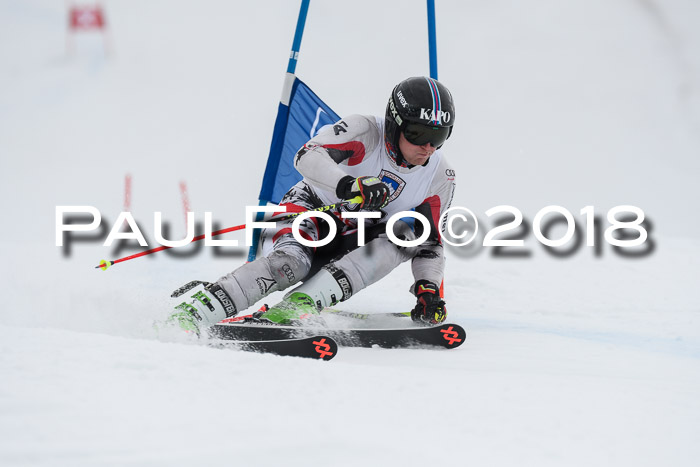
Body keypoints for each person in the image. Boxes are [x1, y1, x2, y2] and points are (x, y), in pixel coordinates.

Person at [167, 76, 457, 335]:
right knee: (289, 265)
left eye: (438, 137)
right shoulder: (365, 131)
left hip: (357, 241)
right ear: (395, 124)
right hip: (312, 210)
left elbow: (429, 242)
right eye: (418, 133)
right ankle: (192, 314)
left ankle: (300, 305)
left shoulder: (439, 177)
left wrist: (428, 290)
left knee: (404, 236)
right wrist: (349, 185)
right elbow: (306, 156)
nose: (428, 147)